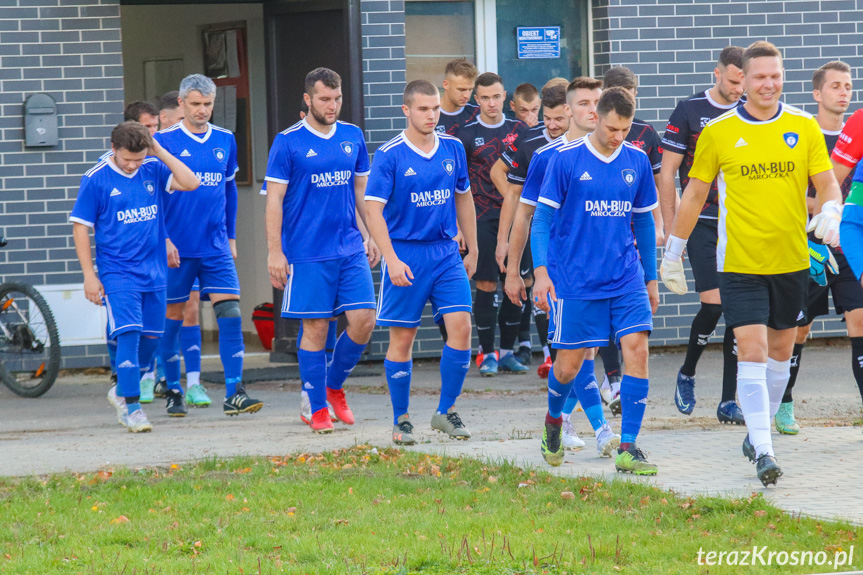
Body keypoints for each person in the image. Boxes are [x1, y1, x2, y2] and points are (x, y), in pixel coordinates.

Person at [661, 41, 842, 487]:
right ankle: (764, 449)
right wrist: (672, 252)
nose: (769, 83)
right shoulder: (720, 131)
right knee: (753, 351)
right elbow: (695, 194)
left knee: (782, 353)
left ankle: (757, 432)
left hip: (792, 261)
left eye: (775, 75)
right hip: (738, 263)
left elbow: (827, 184)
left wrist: (832, 210)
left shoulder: (803, 126)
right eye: (759, 76)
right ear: (742, 80)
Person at [532, 87, 659, 474]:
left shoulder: (636, 160)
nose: (617, 136)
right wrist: (540, 272)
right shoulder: (565, 160)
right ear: (595, 117)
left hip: (625, 277)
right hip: (575, 281)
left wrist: (650, 279)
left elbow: (643, 221)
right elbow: (542, 219)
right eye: (611, 127)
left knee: (636, 348)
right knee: (569, 366)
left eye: (624, 129)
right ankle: (554, 421)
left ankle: (628, 446)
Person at [365, 79, 479, 444]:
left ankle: (446, 411)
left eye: (435, 109)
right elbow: (373, 209)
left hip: (446, 252)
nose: (432, 115)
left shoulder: (453, 148)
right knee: (404, 336)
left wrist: (472, 247)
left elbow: (464, 197)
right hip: (406, 254)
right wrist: (391, 259)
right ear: (407, 110)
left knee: (460, 327)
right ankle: (401, 420)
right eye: (424, 109)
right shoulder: (390, 153)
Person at [265, 67, 376, 434]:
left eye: (337, 98)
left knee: (363, 321)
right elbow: (274, 202)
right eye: (325, 99)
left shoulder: (352, 136)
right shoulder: (287, 141)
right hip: (306, 251)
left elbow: (361, 192)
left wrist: (371, 234)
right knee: (315, 327)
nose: (332, 105)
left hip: (349, 246)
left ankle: (332, 385)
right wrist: (275, 252)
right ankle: (316, 408)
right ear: (308, 100)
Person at [70, 121, 200, 432]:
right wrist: (90, 275)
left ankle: (122, 388)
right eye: (127, 158)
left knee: (150, 339)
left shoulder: (152, 168)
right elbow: (80, 228)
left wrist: (157, 151)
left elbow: (191, 182)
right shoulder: (96, 179)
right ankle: (132, 406)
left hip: (153, 272)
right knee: (128, 333)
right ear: (113, 148)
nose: (132, 165)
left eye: (138, 158)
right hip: (118, 273)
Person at [154, 74, 262, 417]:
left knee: (229, 312)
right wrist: (165, 238)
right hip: (177, 248)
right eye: (196, 104)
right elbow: (152, 195)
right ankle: (172, 389)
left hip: (215, 246)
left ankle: (235, 392)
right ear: (182, 104)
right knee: (173, 317)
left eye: (208, 104)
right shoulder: (164, 141)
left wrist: (231, 237)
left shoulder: (225, 139)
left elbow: (229, 190)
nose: (203, 111)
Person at [505, 77, 603, 451]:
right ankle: (593, 429)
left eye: (599, 102)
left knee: (586, 352)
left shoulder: (616, 151)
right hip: (561, 271)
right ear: (567, 111)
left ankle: (562, 420)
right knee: (574, 352)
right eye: (585, 103)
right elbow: (525, 217)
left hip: (603, 271)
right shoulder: (547, 158)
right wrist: (515, 271)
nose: (593, 110)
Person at [658, 46, 746, 425]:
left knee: (739, 314)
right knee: (714, 304)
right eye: (732, 81)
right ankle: (688, 372)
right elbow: (667, 172)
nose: (739, 89)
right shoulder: (690, 110)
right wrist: (669, 226)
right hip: (701, 221)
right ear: (717, 73)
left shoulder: (751, 113)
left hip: (741, 223)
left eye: (744, 81)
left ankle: (729, 401)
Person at [782, 61, 857, 434]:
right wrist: (830, 211)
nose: (844, 92)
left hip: (850, 248)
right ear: (817, 93)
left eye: (848, 86)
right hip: (808, 247)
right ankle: (783, 402)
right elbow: (795, 197)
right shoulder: (804, 136)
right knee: (799, 330)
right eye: (836, 86)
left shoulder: (857, 136)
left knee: (859, 322)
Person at [599, 66, 666, 415]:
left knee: (633, 326)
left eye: (632, 91)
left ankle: (623, 386)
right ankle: (610, 378)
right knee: (599, 325)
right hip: (595, 244)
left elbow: (655, 187)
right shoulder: (591, 138)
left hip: (631, 243)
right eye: (619, 91)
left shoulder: (645, 137)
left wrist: (661, 228)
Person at [494, 78, 569, 373]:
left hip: (578, 239)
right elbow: (514, 199)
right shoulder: (530, 145)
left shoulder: (596, 141)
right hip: (541, 234)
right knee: (542, 294)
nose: (550, 125)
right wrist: (504, 241)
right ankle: (552, 356)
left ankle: (608, 380)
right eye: (546, 118)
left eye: (557, 118)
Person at [457, 72, 527, 376]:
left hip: (519, 219)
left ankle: (509, 351)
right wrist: (458, 226)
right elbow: (455, 185)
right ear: (477, 99)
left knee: (516, 283)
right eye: (484, 97)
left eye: (496, 96)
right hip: (482, 218)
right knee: (486, 284)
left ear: (504, 97)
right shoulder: (465, 135)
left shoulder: (520, 130)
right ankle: (487, 354)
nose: (491, 103)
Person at [437, 58, 479, 136]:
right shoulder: (430, 114)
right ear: (446, 85)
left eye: (470, 89)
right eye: (461, 90)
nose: (466, 95)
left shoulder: (478, 113)